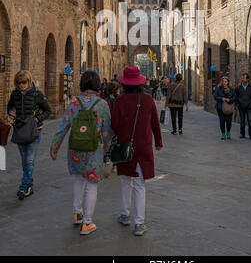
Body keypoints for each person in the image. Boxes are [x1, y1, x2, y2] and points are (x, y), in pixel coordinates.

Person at [50, 71, 112, 236]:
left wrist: (54, 148)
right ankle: (87, 223)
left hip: (75, 149)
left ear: (82, 84)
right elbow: (107, 132)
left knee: (78, 179)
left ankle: (77, 213)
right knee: (92, 185)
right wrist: (107, 149)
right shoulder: (102, 105)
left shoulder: (73, 103)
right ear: (97, 85)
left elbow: (63, 127)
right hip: (94, 151)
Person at [111, 66, 163, 237]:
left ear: (124, 83)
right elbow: (155, 122)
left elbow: (114, 126)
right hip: (144, 146)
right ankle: (139, 224)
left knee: (126, 180)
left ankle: (125, 215)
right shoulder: (147, 99)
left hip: (125, 146)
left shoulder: (119, 100)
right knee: (140, 184)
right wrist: (158, 142)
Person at [7, 70, 51, 200]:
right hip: (20, 130)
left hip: (34, 131)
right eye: (19, 82)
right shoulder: (14, 94)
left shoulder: (37, 94)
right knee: (24, 161)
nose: (21, 85)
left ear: (29, 81)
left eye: (24, 82)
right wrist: (10, 112)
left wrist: (37, 119)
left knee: (29, 160)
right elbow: (9, 106)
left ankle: (24, 187)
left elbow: (48, 110)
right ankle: (30, 185)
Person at [235, 73, 251, 140]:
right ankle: (242, 133)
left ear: (247, 79)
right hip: (241, 107)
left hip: (249, 107)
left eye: (244, 78)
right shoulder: (238, 87)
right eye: (242, 78)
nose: (242, 79)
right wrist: (237, 103)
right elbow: (235, 96)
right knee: (242, 121)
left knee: (250, 121)